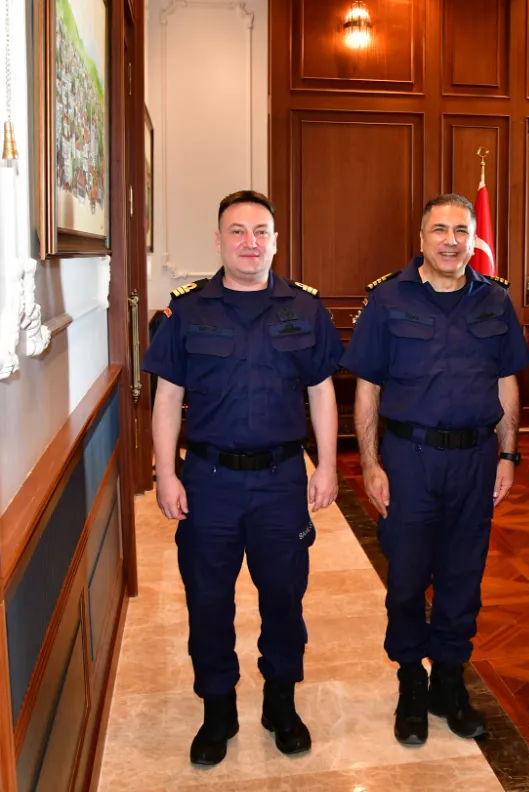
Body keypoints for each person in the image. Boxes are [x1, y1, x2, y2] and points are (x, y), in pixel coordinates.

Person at [142, 189, 343, 766]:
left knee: (284, 597)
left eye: (261, 232)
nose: (250, 242)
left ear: (276, 240)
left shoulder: (305, 310)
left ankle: (280, 702)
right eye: (237, 231)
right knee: (208, 600)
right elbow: (166, 398)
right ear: (219, 240)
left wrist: (326, 465)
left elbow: (322, 392)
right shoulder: (187, 311)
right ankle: (218, 708)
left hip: (281, 480)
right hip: (208, 481)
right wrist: (164, 473)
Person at [340, 193, 529, 746]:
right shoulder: (387, 300)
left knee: (462, 578)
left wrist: (508, 454)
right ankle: (410, 684)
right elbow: (367, 388)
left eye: (462, 231)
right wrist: (370, 464)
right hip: (409, 461)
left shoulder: (495, 302)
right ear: (421, 238)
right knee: (404, 580)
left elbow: (507, 381)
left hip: (474, 460)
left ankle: (449, 682)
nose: (452, 240)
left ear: (474, 240)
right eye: (440, 229)